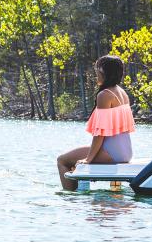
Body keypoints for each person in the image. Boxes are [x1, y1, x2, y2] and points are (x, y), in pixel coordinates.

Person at [57, 55, 135, 191]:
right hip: (126, 152)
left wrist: (88, 159)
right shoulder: (122, 92)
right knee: (74, 159)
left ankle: (70, 199)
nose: (95, 74)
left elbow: (100, 133)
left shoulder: (104, 94)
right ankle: (80, 189)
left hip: (112, 153)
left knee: (62, 160)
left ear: (105, 72)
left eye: (97, 71)